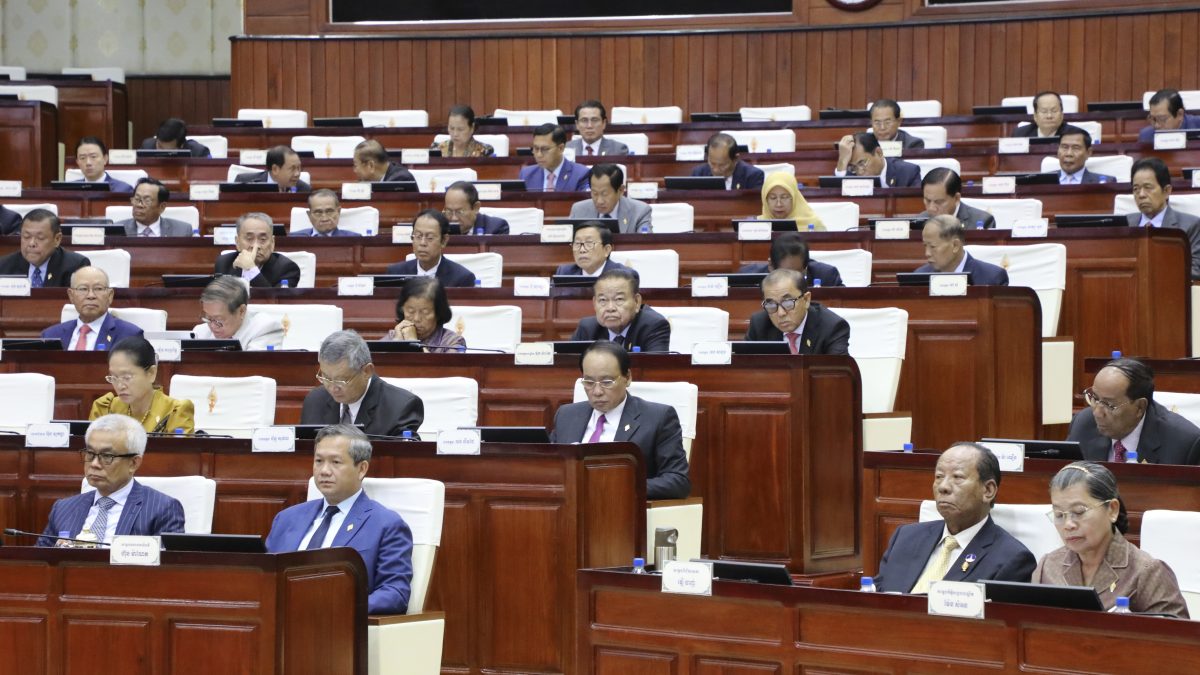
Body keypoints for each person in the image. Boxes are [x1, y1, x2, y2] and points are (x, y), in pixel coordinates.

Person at [265, 424, 414, 615]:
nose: (324, 471)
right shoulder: (287, 518)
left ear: (361, 469)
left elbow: (395, 593)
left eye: (335, 462)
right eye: (318, 461)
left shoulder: (386, 525)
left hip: (336, 627)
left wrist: (339, 608)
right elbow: (264, 580)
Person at [874, 443, 1036, 593]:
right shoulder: (905, 537)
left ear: (988, 490)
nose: (943, 487)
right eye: (938, 476)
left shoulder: (1011, 559)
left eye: (957, 477)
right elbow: (878, 595)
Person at [1034, 461, 1188, 617]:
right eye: (1059, 515)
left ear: (1112, 510)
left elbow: (1177, 637)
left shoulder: (1147, 572)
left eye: (1079, 512)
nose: (1068, 525)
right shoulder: (1048, 566)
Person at [548, 341, 690, 499]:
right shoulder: (566, 415)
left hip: (621, 510)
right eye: (588, 382)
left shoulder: (658, 418)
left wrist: (617, 487)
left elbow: (678, 481)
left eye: (607, 382)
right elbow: (550, 469)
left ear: (627, 377)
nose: (597, 391)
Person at [37, 414, 185, 546]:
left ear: (133, 463)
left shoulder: (162, 509)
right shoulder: (64, 509)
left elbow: (169, 571)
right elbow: (39, 564)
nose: (94, 464)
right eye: (90, 453)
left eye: (107, 456)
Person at [1067, 358, 1200, 465]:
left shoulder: (1184, 444)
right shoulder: (1083, 424)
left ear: (1139, 407)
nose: (1097, 412)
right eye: (1095, 398)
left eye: (1109, 404)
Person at [300, 331, 424, 437]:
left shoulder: (400, 407)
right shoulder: (315, 401)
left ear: (367, 371)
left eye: (341, 380)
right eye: (326, 378)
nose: (333, 388)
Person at [89, 336, 195, 434]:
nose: (120, 386)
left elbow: (178, 454)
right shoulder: (106, 409)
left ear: (151, 373)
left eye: (127, 378)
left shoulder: (174, 412)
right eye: (114, 378)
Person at [1124, 157, 1200, 279]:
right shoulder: (1124, 223)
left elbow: (1196, 270)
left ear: (1166, 191)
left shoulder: (1190, 225)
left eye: (1148, 187)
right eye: (1136, 189)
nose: (1141, 195)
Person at [745, 268, 849, 355]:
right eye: (771, 304)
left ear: (806, 299)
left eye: (788, 303)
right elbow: (746, 370)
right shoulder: (759, 324)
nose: (781, 313)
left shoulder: (832, 327)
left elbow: (836, 376)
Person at [41, 267, 142, 350]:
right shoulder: (50, 335)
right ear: (71, 296)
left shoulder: (129, 335)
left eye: (98, 289)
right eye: (83, 289)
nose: (91, 295)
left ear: (110, 295)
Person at [570, 268, 670, 352]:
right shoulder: (587, 328)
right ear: (594, 303)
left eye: (619, 299)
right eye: (603, 300)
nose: (610, 308)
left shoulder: (654, 326)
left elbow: (653, 371)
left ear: (636, 301)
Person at [385, 209, 477, 287]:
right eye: (418, 236)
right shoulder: (395, 273)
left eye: (430, 238)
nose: (422, 243)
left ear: (444, 240)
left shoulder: (462, 278)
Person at [0, 209, 90, 288]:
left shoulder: (76, 267)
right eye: (26, 237)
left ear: (57, 239)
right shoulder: (4, 267)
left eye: (40, 238)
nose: (31, 244)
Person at [190, 275, 284, 350]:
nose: (212, 326)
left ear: (241, 311)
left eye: (219, 320)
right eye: (208, 318)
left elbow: (255, 369)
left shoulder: (264, 329)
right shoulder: (200, 333)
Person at [214, 212, 302, 287]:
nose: (256, 246)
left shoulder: (287, 269)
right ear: (237, 242)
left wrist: (251, 269)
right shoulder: (224, 263)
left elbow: (275, 303)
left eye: (263, 239)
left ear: (272, 243)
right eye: (249, 238)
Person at [915, 215, 1009, 285]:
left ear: (955, 245)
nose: (927, 253)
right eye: (925, 246)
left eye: (932, 247)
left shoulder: (993, 278)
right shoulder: (919, 276)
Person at [383, 277, 466, 353]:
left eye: (425, 312)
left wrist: (413, 342)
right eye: (410, 311)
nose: (416, 318)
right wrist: (395, 344)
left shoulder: (453, 341)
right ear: (402, 309)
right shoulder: (394, 335)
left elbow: (443, 369)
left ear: (438, 312)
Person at [737, 232, 844, 287]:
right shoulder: (747, 279)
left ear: (805, 267)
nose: (790, 280)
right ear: (771, 266)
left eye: (797, 273)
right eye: (785, 273)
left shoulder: (827, 276)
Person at [568, 164, 652, 233]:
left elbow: (645, 244)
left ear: (621, 190)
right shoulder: (578, 210)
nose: (599, 201)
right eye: (595, 193)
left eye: (605, 194)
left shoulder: (640, 211)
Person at [519, 123, 590, 192]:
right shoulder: (526, 174)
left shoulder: (580, 174)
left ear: (561, 148)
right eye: (536, 149)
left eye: (545, 149)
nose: (539, 155)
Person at [833, 132, 921, 188]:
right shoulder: (849, 175)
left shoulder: (909, 172)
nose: (859, 172)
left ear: (879, 153)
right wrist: (842, 161)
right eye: (853, 167)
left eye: (862, 163)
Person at [919, 167, 996, 229]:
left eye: (939, 202)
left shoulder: (983, 221)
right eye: (928, 200)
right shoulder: (919, 222)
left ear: (956, 198)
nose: (931, 208)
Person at [555, 222, 637, 277]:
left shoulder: (624, 275)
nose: (582, 250)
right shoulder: (565, 273)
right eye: (577, 243)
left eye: (589, 243)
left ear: (606, 250)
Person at [117, 178, 194, 236]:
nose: (139, 205)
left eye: (147, 200)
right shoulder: (117, 230)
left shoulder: (182, 231)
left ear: (162, 207)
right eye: (137, 199)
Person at [690, 132, 764, 191]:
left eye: (722, 165)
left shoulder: (753, 176)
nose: (716, 170)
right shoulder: (699, 174)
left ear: (736, 159)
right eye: (712, 163)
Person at [757, 172, 825, 231]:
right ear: (765, 200)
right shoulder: (756, 226)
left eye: (784, 197)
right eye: (773, 198)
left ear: (794, 198)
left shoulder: (814, 224)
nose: (779, 204)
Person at [233, 145, 311, 193]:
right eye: (292, 168)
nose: (297, 173)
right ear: (275, 169)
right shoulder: (244, 183)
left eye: (299, 168)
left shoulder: (304, 190)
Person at [443, 182, 509, 234]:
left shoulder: (496, 228)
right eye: (449, 211)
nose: (454, 218)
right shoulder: (440, 229)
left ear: (476, 208)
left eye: (459, 212)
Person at [293, 189, 361, 237]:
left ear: (338, 212)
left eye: (329, 211)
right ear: (309, 215)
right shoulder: (293, 239)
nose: (324, 218)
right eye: (318, 212)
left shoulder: (354, 240)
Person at [139, 117, 212, 158]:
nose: (162, 154)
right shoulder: (147, 146)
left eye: (168, 151)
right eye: (160, 146)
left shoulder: (199, 153)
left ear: (181, 145)